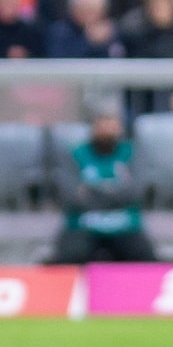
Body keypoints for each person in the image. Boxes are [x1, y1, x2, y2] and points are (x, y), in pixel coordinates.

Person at [50, 99, 157, 264]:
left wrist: (92, 192)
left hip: (125, 226)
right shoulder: (75, 153)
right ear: (93, 125)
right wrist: (116, 193)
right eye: (102, 121)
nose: (107, 127)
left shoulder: (132, 152)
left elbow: (136, 192)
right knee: (68, 255)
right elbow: (71, 195)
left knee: (144, 256)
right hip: (83, 225)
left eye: (112, 121)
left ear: (120, 126)